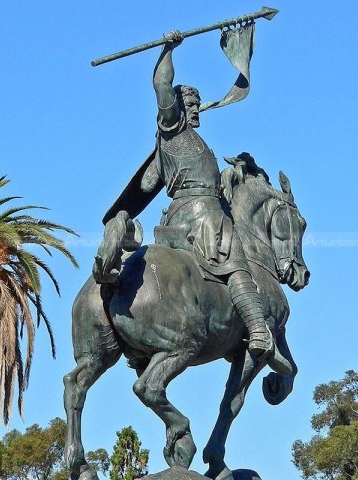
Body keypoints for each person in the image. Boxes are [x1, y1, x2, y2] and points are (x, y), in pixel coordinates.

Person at [100, 32, 274, 359]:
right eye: (190, 104)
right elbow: (162, 86)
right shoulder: (173, 128)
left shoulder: (195, 140)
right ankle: (257, 328)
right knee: (236, 262)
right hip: (200, 216)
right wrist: (168, 49)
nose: (196, 109)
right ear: (177, 109)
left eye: (197, 104)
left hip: (189, 214)